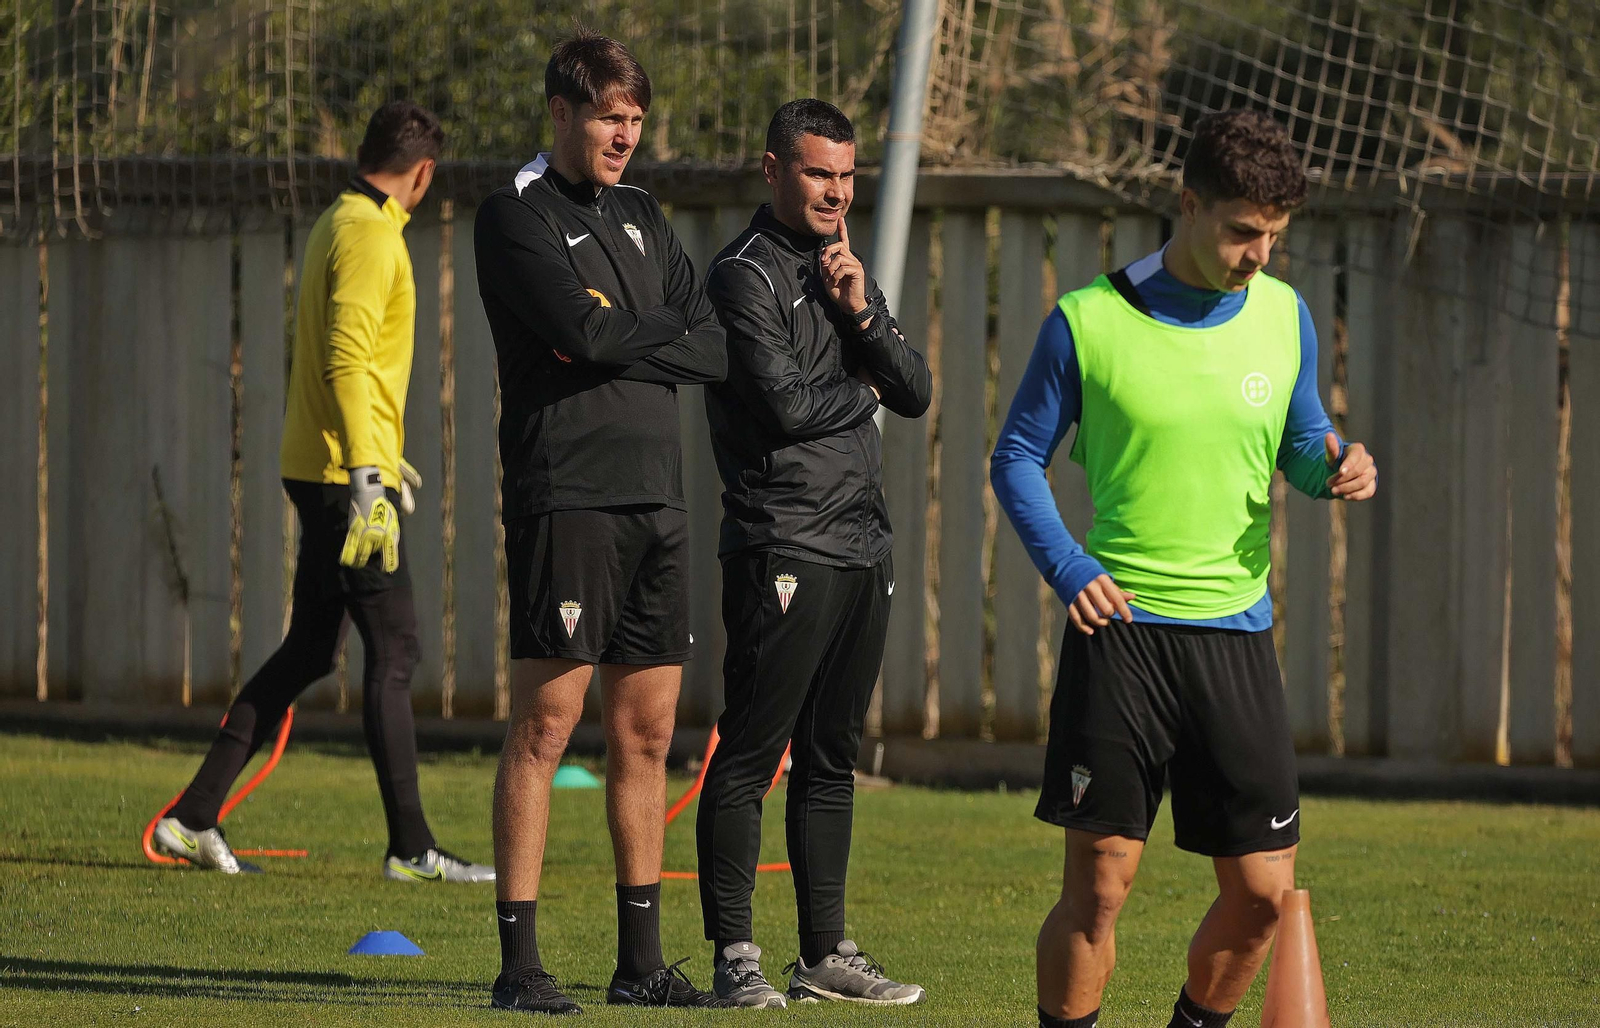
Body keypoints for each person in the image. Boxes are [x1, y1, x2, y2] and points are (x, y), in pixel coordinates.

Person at [991, 108, 1378, 1028]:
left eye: (1276, 236)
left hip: (1236, 638)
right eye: (1244, 231)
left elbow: (1302, 441)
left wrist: (1337, 466)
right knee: (1101, 889)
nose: (1259, 255)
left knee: (1260, 895)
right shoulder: (1087, 322)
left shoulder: (1285, 315)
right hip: (1121, 636)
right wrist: (1068, 566)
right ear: (1188, 203)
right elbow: (1015, 458)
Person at [151, 101, 493, 885]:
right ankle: (412, 849)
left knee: (311, 648)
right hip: (347, 480)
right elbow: (346, 358)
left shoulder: (337, 218)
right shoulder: (373, 235)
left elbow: (350, 360)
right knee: (397, 649)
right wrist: (371, 470)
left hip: (324, 465)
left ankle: (193, 815)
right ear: (422, 174)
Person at [472, 30, 729, 1015]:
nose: (623, 136)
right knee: (546, 722)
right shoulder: (514, 214)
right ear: (561, 113)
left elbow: (711, 347)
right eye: (607, 117)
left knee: (650, 729)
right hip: (566, 491)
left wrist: (626, 331)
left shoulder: (638, 213)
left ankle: (639, 962)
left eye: (634, 120)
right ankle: (518, 961)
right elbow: (576, 333)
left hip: (656, 497)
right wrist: (631, 328)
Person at [695, 98, 933, 1009]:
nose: (835, 192)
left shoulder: (845, 272)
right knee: (752, 752)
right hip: (780, 541)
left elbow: (914, 390)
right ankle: (735, 961)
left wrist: (864, 318)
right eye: (816, 174)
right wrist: (861, 378)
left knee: (831, 755)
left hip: (860, 541)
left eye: (845, 176)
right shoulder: (742, 276)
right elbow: (787, 408)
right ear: (772, 171)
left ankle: (826, 952)